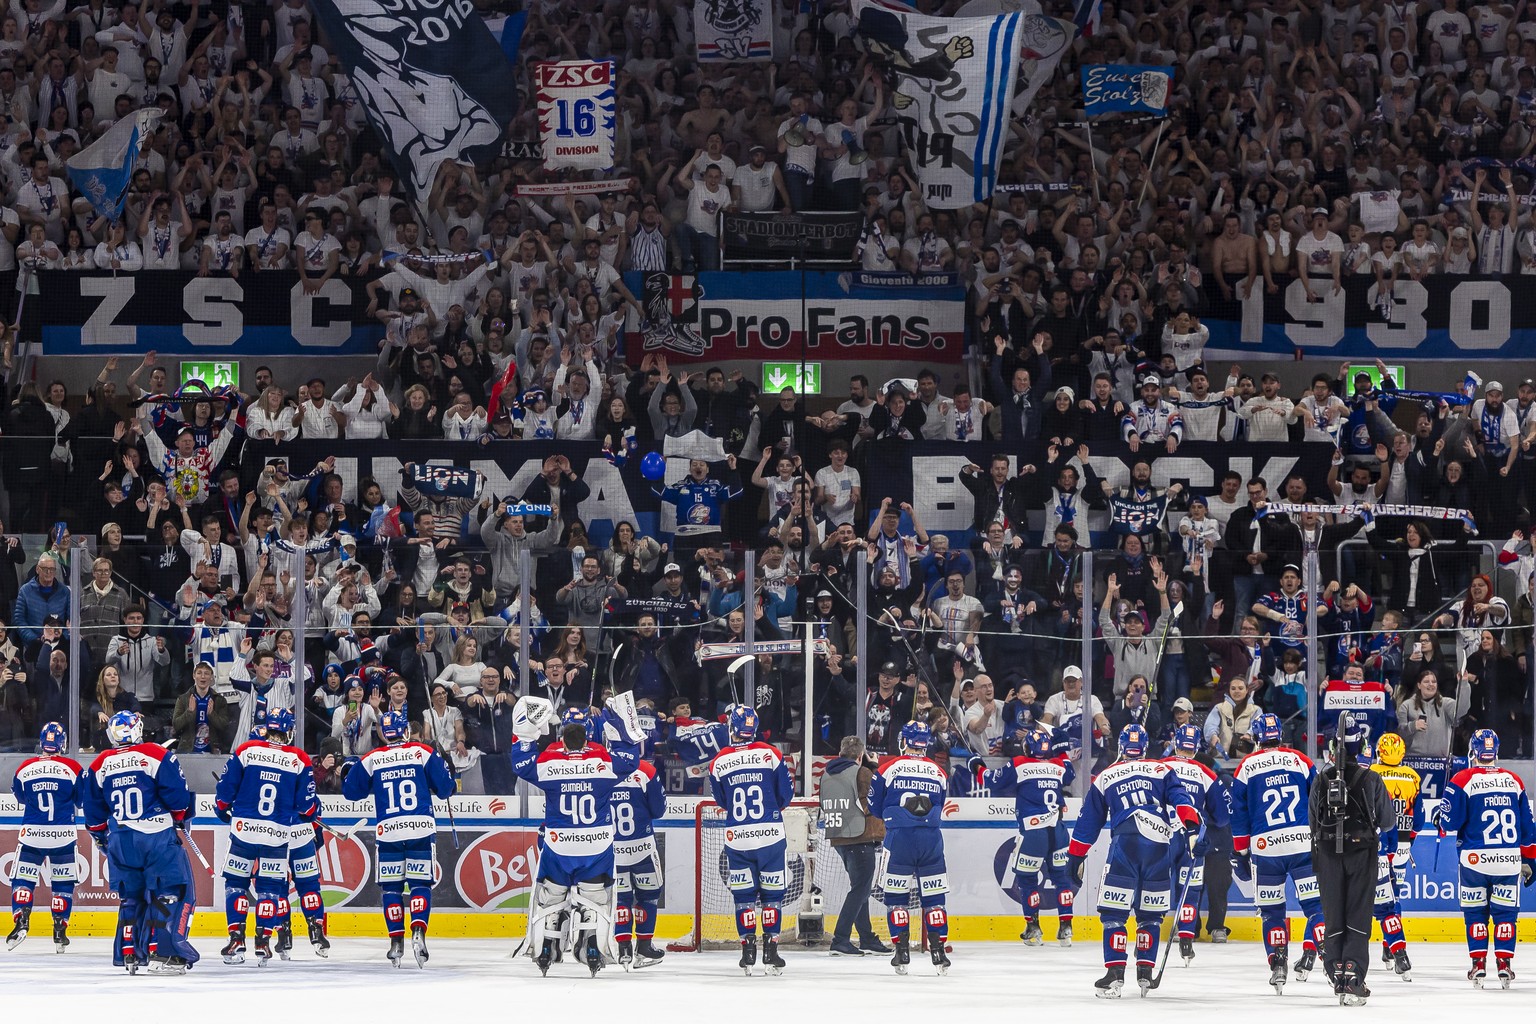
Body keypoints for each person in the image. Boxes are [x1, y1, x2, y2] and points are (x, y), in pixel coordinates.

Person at [510, 696, 642, 976]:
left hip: (559, 845)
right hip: (597, 845)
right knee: (595, 898)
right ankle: (592, 945)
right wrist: (621, 726)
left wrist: (525, 734)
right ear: (587, 738)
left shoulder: (549, 762)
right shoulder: (602, 761)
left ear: (562, 738)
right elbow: (630, 761)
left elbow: (520, 765)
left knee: (552, 896)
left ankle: (547, 946)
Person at [1066, 722, 1199, 998]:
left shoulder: (1107, 775)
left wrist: (1076, 856)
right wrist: (1193, 828)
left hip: (1125, 842)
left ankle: (1115, 973)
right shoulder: (1162, 769)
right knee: (1150, 914)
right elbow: (1182, 799)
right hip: (1159, 845)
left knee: (1114, 913)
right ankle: (1145, 972)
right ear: (1145, 748)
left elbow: (1088, 822)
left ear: (1122, 747)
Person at [81, 710, 199, 974]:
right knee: (169, 892)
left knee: (131, 897)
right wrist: (179, 816)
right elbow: (178, 798)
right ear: (137, 729)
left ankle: (130, 952)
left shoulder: (99, 763)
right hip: (156, 837)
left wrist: (102, 838)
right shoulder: (156, 754)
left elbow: (93, 814)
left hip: (120, 840)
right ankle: (163, 951)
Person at [340, 708, 455, 967]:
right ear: (405, 731)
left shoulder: (372, 758)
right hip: (421, 829)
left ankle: (395, 942)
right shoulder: (423, 752)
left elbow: (351, 793)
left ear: (383, 734)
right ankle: (418, 931)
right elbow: (446, 789)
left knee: (391, 888)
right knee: (420, 885)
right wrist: (444, 765)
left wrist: (348, 768)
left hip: (389, 831)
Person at [212, 707, 321, 965]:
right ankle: (263, 942)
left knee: (236, 884)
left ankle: (236, 939)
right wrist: (310, 814)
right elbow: (306, 806)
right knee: (270, 890)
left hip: (244, 832)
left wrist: (222, 809)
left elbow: (224, 792)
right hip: (277, 835)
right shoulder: (298, 758)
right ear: (288, 731)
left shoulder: (246, 750)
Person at [1230, 712, 1325, 992]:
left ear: (1257, 737)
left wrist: (1241, 852)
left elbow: (1239, 814)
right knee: (1316, 908)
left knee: (1272, 913)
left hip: (1266, 848)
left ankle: (1278, 964)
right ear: (1280, 735)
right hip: (1303, 844)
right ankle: (1330, 958)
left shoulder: (1246, 766)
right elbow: (1319, 800)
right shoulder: (1300, 760)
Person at [1436, 728, 1536, 989]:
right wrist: (1530, 859)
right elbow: (1528, 827)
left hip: (1474, 860)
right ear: (1496, 752)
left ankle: (1478, 964)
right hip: (1508, 859)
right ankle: (1504, 965)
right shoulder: (1514, 780)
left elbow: (1450, 822)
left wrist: (1440, 816)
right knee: (1506, 914)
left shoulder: (1462, 779)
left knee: (1475, 914)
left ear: (1473, 751)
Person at [1308, 713, 1395, 1005]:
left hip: (1327, 854)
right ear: (1362, 746)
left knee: (1333, 913)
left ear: (1334, 746)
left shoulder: (1321, 778)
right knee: (1358, 913)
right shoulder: (1371, 778)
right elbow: (1388, 821)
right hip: (1361, 852)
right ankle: (1353, 974)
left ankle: (1335, 971)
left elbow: (1313, 822)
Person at [707, 703, 795, 975]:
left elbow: (722, 801)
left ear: (731, 728)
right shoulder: (771, 754)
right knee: (772, 896)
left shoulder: (719, 760)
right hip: (770, 836)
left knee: (744, 896)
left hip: (738, 838)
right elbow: (786, 795)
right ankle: (771, 951)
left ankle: (747, 952)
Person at [974, 727, 1075, 947]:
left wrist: (976, 766)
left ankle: (1033, 929)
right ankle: (1066, 928)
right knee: (1061, 879)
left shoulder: (1020, 763)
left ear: (1027, 747)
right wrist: (1062, 749)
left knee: (1027, 881)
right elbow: (1070, 773)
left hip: (1033, 832)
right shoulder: (1058, 765)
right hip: (1059, 831)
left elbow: (992, 781)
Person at [871, 719, 952, 975]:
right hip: (931, 841)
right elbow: (941, 802)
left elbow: (875, 807)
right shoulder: (939, 771)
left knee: (896, 898)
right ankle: (938, 952)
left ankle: (901, 952)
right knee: (934, 898)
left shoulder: (888, 768)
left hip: (899, 839)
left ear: (904, 740)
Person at [6, 722, 81, 951]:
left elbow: (21, 797)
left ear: (41, 743)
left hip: (32, 835)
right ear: (62, 743)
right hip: (63, 835)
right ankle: (59, 929)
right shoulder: (73, 768)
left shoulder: (25, 768)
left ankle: (21, 921)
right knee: (63, 883)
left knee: (23, 879)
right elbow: (80, 800)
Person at [816, 735, 890, 956]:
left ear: (840, 754)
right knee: (861, 889)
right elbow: (876, 798)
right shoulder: (863, 772)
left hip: (839, 837)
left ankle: (866, 937)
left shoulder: (826, 774)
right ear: (860, 756)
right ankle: (840, 939)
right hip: (860, 837)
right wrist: (873, 766)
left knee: (860, 888)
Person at [1164, 722, 1229, 964]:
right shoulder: (1206, 773)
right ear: (1197, 747)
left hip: (1162, 836)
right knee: (1189, 889)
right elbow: (1222, 817)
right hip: (1193, 838)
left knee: (1154, 885)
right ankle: (1186, 939)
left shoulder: (1160, 766)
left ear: (1175, 744)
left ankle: (1144, 937)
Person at [611, 727, 667, 967]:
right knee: (648, 896)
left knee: (620, 898)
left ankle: (623, 949)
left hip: (612, 851)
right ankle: (644, 948)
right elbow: (659, 810)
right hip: (642, 847)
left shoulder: (600, 768)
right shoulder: (645, 770)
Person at [1368, 732, 1422, 981]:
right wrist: (1409, 841)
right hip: (1402, 844)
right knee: (1393, 895)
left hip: (1377, 844)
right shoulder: (1413, 776)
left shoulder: (1371, 773)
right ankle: (1390, 947)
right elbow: (1419, 818)